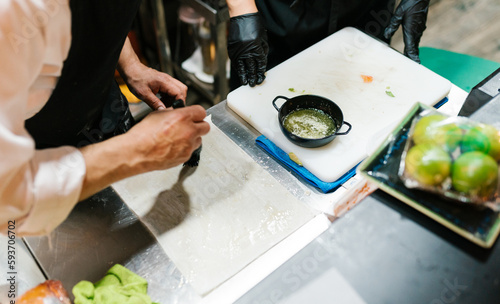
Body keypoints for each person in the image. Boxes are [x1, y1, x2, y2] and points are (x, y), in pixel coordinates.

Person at [0, 0, 210, 236]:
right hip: (38, 164)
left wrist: (132, 66)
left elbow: (97, 16)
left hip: (104, 106)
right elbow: (7, 198)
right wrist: (137, 150)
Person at [226, 0, 430, 88]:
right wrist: (241, 7)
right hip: (283, 13)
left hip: (366, 9)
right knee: (260, 96)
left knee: (364, 86)